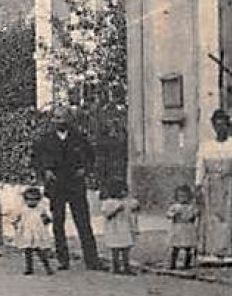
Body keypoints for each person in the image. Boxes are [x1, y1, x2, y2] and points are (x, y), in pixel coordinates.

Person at [31, 111, 101, 270]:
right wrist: (45, 171)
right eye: (56, 118)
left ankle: (92, 260)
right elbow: (36, 158)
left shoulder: (79, 137)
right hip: (56, 185)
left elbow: (91, 155)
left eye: (62, 118)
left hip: (75, 184)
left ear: (68, 119)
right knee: (58, 222)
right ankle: (63, 259)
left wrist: (85, 169)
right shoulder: (45, 140)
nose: (59, 121)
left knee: (83, 222)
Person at [195, 110, 232, 265]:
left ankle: (230, 252)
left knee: (230, 217)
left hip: (230, 185)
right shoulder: (206, 146)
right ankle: (211, 253)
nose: (220, 129)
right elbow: (200, 167)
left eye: (223, 125)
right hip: (212, 186)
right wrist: (198, 185)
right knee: (211, 218)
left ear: (228, 126)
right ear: (213, 126)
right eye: (217, 125)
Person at [10, 186, 56, 276]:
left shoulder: (40, 208)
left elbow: (47, 219)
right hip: (27, 232)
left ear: (39, 200)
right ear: (25, 199)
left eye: (35, 199)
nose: (32, 201)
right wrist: (15, 223)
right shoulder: (23, 209)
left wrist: (46, 220)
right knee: (28, 251)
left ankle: (47, 267)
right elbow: (16, 218)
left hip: (37, 233)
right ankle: (29, 268)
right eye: (29, 199)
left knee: (40, 250)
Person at [99, 178, 140, 275]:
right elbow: (107, 215)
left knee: (126, 247)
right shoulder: (108, 202)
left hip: (125, 227)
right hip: (114, 228)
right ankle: (116, 267)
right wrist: (116, 210)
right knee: (115, 249)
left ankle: (126, 266)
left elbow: (135, 209)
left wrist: (136, 206)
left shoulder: (127, 202)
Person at [165, 184, 199, 270]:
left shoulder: (191, 206)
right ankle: (173, 263)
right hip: (178, 227)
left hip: (188, 227)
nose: (183, 199)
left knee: (188, 247)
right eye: (181, 196)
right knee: (175, 246)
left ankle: (187, 263)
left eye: (185, 196)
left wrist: (193, 215)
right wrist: (174, 214)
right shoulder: (175, 206)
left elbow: (196, 214)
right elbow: (168, 214)